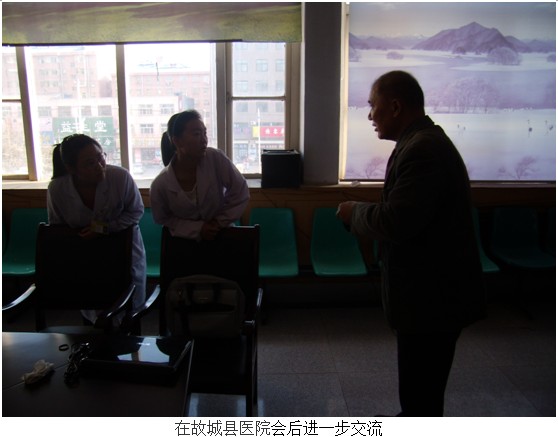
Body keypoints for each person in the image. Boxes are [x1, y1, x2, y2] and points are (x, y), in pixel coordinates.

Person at [337, 71, 485, 417]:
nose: (369, 115)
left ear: (395, 106)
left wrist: (353, 212)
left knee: (422, 398)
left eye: (373, 105)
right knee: (421, 393)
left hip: (432, 300)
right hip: (430, 297)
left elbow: (397, 221)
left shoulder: (423, 150)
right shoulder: (420, 142)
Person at [47, 134, 146, 325]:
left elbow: (136, 212)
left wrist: (102, 229)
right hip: (85, 255)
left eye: (101, 157)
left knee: (128, 311)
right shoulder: (58, 189)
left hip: (124, 251)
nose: (100, 166)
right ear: (71, 168)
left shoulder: (120, 177)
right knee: (92, 312)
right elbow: (58, 228)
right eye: (90, 163)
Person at [150, 110, 250, 240]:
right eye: (197, 134)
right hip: (184, 242)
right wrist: (197, 228)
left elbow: (240, 191)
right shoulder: (160, 184)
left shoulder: (215, 158)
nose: (204, 140)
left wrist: (218, 222)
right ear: (177, 141)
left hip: (221, 235)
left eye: (205, 133)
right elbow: (162, 218)